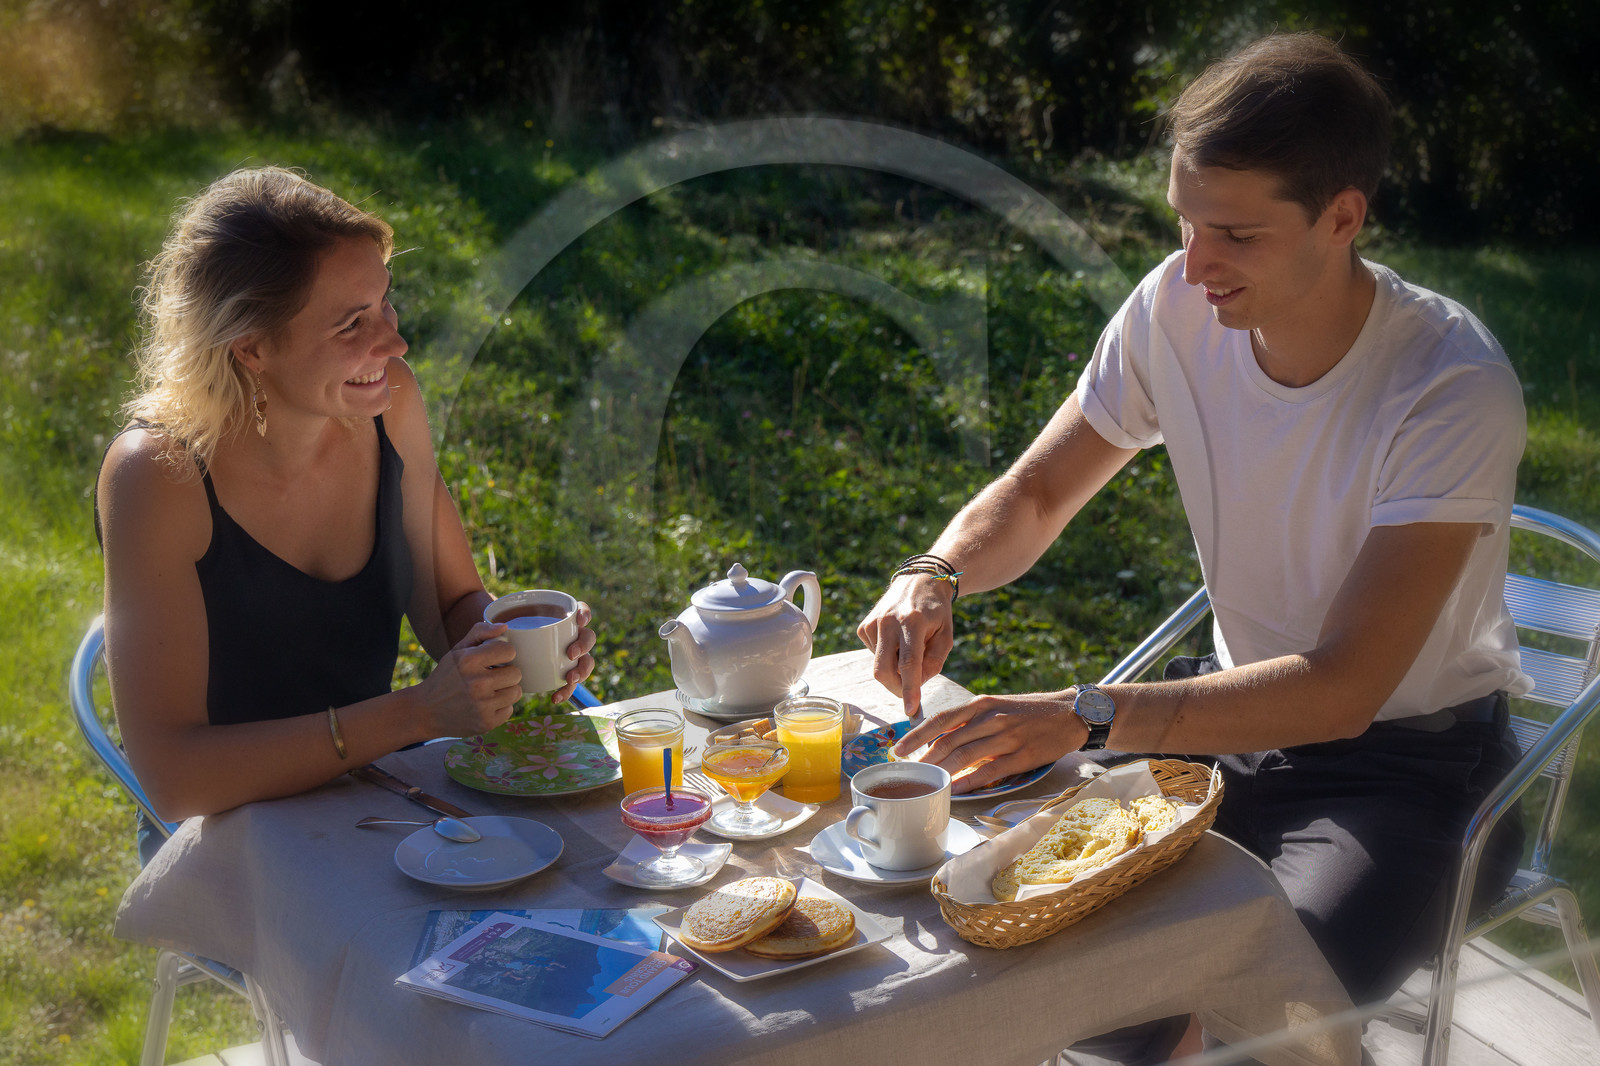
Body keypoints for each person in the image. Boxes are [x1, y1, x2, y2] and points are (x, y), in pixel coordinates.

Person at [857, 32, 1526, 1062]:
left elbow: (1346, 687)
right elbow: (1036, 493)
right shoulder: (1174, 304)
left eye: (1235, 233)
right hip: (1218, 732)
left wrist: (1085, 715)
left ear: (1342, 217)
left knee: (1261, 1025)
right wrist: (933, 569)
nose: (1195, 262)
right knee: (1038, 972)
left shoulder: (1446, 381)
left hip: (1407, 768)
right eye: (1184, 219)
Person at [96, 167, 597, 848]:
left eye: (385, 304)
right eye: (351, 324)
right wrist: (419, 714)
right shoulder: (159, 476)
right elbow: (176, 778)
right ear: (252, 347)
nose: (394, 344)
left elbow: (452, 602)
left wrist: (517, 644)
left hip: (378, 796)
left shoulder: (390, 404)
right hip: (225, 842)